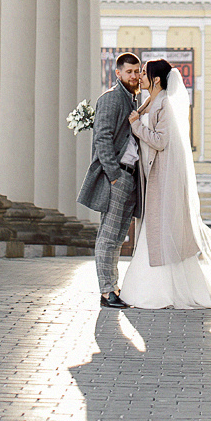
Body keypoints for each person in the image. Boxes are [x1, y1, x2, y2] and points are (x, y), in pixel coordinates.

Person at [120, 58, 211, 310]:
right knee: (154, 232)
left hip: (161, 178)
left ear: (155, 79)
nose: (139, 76)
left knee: (158, 232)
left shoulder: (164, 104)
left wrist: (135, 126)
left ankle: (160, 292)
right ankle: (151, 289)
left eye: (144, 73)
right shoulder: (151, 102)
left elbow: (160, 141)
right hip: (152, 178)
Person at [77, 52, 142, 308]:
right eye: (129, 72)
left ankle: (113, 287)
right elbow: (102, 138)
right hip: (117, 177)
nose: (134, 76)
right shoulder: (112, 99)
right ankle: (106, 291)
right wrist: (114, 176)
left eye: (137, 71)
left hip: (131, 177)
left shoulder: (133, 101)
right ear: (118, 73)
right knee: (107, 235)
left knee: (117, 238)